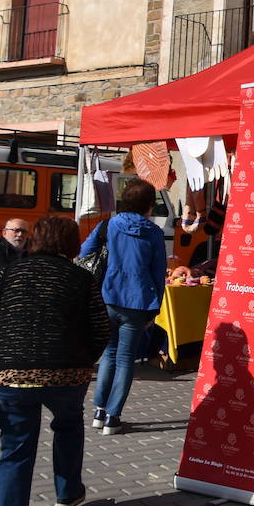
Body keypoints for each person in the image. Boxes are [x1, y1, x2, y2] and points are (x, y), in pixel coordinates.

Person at [0, 216, 110, 506]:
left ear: (36, 240)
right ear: (72, 244)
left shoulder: (10, 273)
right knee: (69, 424)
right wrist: (83, 360)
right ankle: (67, 492)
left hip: (11, 375)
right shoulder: (80, 278)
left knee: (15, 450)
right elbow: (101, 328)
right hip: (66, 373)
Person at [81, 177, 166, 436]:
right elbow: (158, 271)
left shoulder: (109, 225)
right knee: (126, 358)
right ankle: (113, 416)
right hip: (138, 301)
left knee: (109, 353)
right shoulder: (154, 233)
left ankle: (98, 411)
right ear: (149, 205)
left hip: (109, 295)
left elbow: (85, 250)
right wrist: (156, 308)